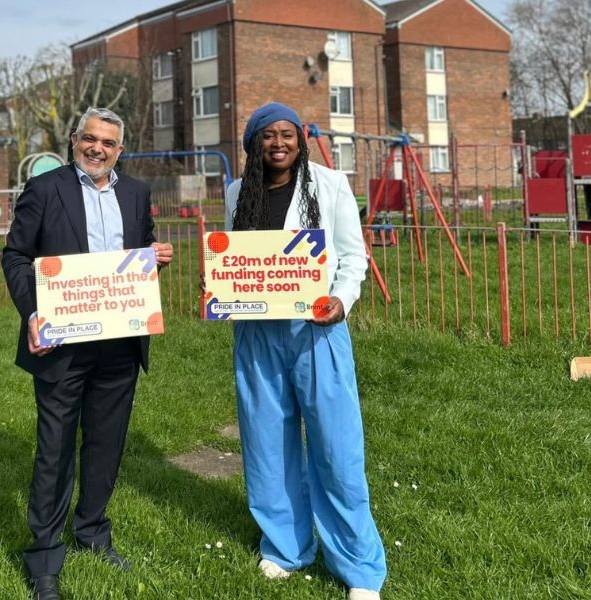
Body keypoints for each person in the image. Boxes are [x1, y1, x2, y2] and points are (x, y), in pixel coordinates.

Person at [2, 106, 173, 600]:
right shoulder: (45, 187)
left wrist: (155, 258)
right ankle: (44, 558)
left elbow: (136, 262)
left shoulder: (137, 193)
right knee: (54, 447)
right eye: (89, 139)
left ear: (122, 150)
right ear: (75, 139)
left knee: (106, 442)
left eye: (108, 143)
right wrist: (33, 313)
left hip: (120, 341)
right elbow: (16, 256)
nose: (97, 148)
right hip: (60, 340)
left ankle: (93, 532)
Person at [224, 102, 386, 600]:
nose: (278, 143)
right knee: (267, 445)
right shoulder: (235, 192)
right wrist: (222, 290)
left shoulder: (330, 185)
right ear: (254, 144)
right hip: (257, 335)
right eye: (266, 136)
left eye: (286, 135)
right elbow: (235, 258)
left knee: (336, 448)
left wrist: (341, 300)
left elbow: (354, 256)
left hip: (316, 331)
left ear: (299, 139)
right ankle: (285, 548)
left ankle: (359, 567)